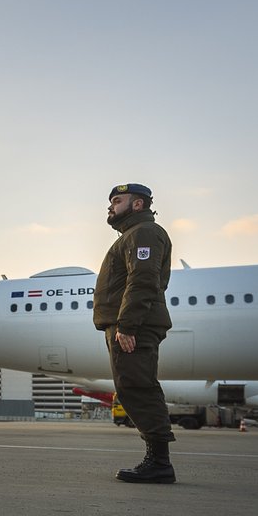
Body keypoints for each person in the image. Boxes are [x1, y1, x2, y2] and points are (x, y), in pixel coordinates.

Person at [96, 182, 176, 483]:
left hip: (133, 326)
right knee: (133, 386)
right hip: (130, 323)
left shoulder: (143, 233)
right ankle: (157, 461)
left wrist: (128, 325)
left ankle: (159, 463)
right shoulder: (133, 235)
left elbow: (143, 279)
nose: (111, 206)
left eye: (117, 200)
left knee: (138, 387)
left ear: (138, 204)